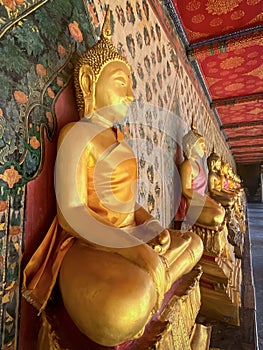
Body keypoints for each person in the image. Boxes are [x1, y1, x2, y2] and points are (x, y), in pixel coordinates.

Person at [23, 9, 203, 348]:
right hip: (89, 244)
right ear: (90, 83)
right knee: (124, 304)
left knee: (193, 243)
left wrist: (152, 226)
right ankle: (151, 279)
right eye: (122, 82)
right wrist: (135, 250)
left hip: (127, 237)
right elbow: (72, 214)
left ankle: (154, 275)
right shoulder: (77, 134)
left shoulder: (120, 140)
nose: (131, 94)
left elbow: (127, 203)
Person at [178, 125, 225, 230]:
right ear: (191, 145)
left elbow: (202, 192)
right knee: (217, 216)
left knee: (221, 211)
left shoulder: (197, 165)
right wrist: (205, 200)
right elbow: (186, 190)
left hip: (200, 201)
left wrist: (212, 202)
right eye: (201, 145)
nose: (204, 149)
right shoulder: (187, 165)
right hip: (191, 205)